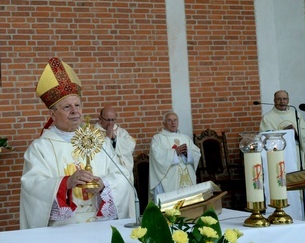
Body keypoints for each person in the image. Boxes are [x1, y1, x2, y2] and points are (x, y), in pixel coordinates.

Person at [20, 57, 132, 229]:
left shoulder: (98, 141)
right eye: (67, 107)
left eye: (77, 105)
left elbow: (122, 177)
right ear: (52, 114)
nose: (75, 112)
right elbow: (32, 187)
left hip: (101, 225)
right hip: (63, 230)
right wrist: (66, 183)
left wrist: (104, 186)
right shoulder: (40, 148)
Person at [149, 111, 201, 202]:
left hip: (187, 177)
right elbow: (157, 157)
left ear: (178, 122)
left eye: (175, 120)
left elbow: (197, 153)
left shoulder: (185, 138)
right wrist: (175, 152)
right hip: (168, 179)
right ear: (164, 123)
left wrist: (186, 153)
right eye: (169, 120)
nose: (173, 123)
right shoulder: (158, 138)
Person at [260, 90, 305, 169]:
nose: (282, 101)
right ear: (274, 100)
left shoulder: (296, 114)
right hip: (278, 153)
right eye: (279, 99)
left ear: (288, 100)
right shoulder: (267, 117)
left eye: (284, 99)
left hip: (295, 150)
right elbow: (265, 138)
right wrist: (283, 132)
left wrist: (295, 131)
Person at [94, 106, 136, 183]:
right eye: (108, 120)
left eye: (113, 120)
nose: (110, 123)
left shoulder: (121, 132)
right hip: (104, 173)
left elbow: (131, 145)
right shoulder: (93, 133)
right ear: (100, 118)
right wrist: (107, 138)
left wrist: (115, 138)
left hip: (122, 175)